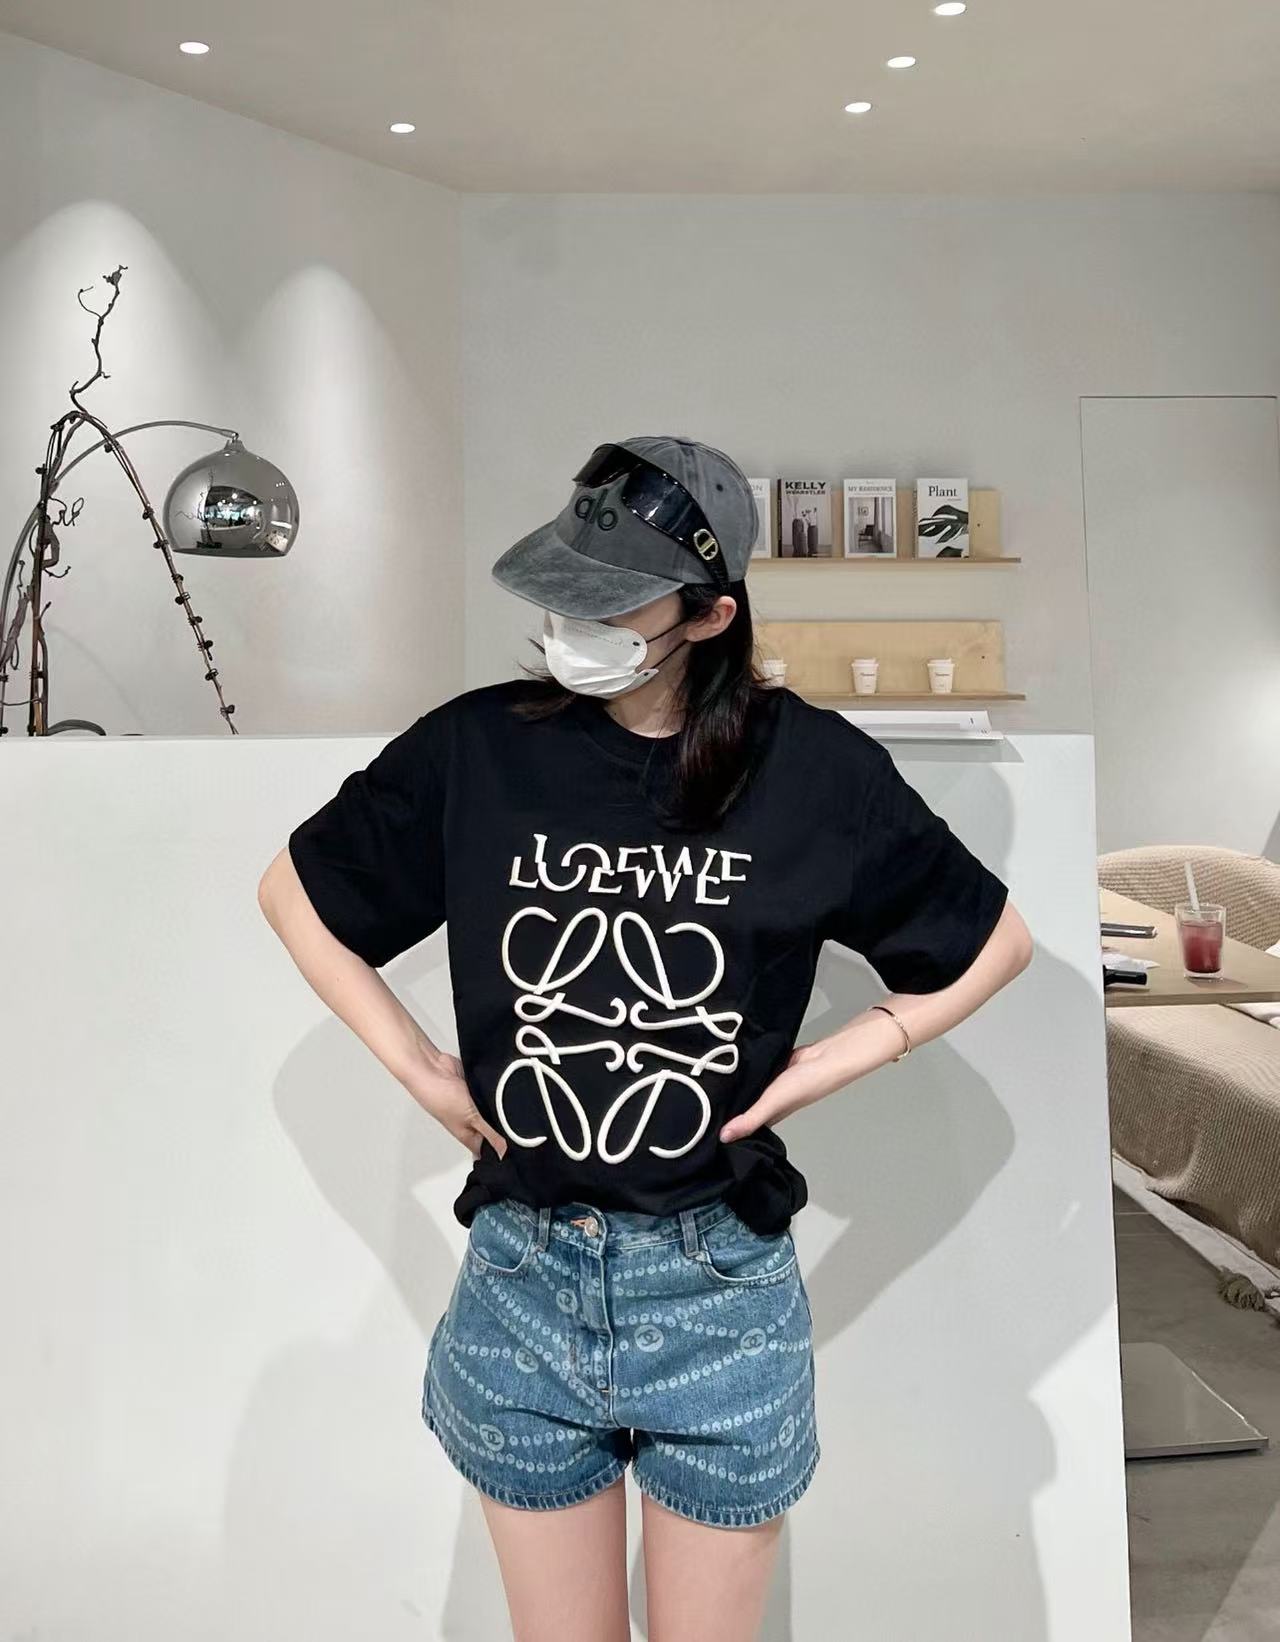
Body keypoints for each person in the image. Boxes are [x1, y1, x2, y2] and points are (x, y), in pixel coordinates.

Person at [258, 436, 1033, 1642]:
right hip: (522, 1274)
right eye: (565, 587)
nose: (574, 621)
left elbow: (995, 941)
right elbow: (294, 893)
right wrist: (417, 1068)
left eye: (612, 599)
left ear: (710, 614)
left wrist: (831, 1061)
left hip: (716, 1283)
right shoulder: (477, 749)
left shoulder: (810, 769)